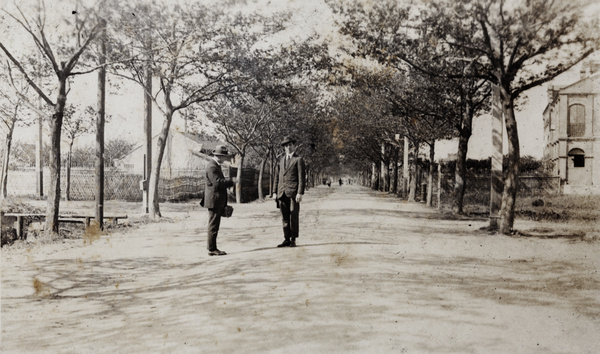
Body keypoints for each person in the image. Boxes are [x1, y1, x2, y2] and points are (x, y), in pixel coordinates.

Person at [202, 145, 236, 256]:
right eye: (224, 157)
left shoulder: (215, 165)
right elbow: (217, 183)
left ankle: (212, 247)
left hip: (215, 200)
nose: (225, 159)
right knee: (213, 225)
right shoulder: (212, 167)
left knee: (214, 224)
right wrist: (231, 181)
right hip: (214, 201)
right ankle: (212, 249)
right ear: (219, 156)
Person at [272, 136, 305, 247]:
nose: (288, 147)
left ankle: (293, 239)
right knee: (284, 217)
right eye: (286, 146)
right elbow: (277, 177)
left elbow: (301, 177)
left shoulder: (298, 159)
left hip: (293, 193)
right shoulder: (280, 160)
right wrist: (274, 192)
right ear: (284, 148)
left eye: (290, 145)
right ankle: (286, 238)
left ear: (294, 146)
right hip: (282, 192)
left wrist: (300, 192)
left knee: (293, 215)